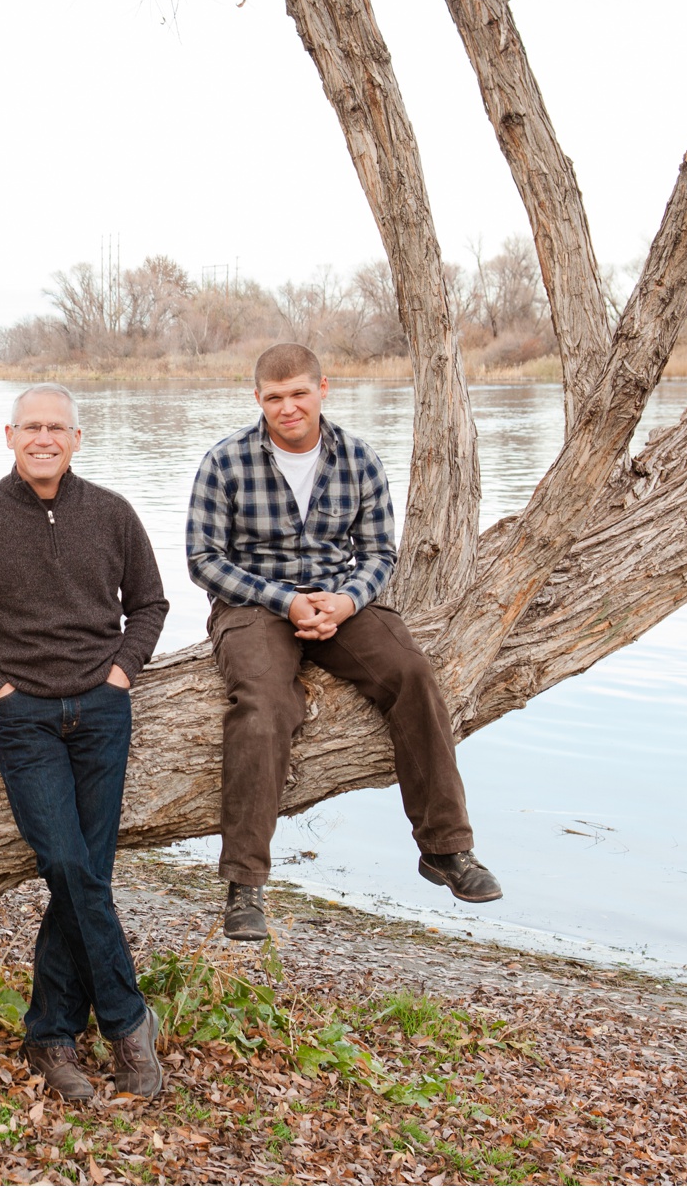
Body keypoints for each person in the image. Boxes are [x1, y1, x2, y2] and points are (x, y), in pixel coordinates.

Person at [186, 343, 502, 943]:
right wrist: (286, 601)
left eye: (299, 393)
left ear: (322, 389)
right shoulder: (224, 462)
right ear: (258, 399)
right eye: (274, 397)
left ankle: (445, 849)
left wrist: (348, 600)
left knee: (412, 674)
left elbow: (381, 553)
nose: (288, 407)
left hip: (342, 600)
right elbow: (204, 560)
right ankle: (245, 885)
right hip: (254, 604)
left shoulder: (357, 457)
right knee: (264, 705)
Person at [0, 383, 171, 1103]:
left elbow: (151, 604)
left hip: (101, 708)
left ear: (76, 437)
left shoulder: (113, 513)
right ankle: (127, 1018)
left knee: (85, 868)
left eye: (55, 427)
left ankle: (51, 1035)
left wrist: (123, 671)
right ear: (8, 436)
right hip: (24, 715)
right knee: (66, 860)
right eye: (30, 426)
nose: (43, 437)